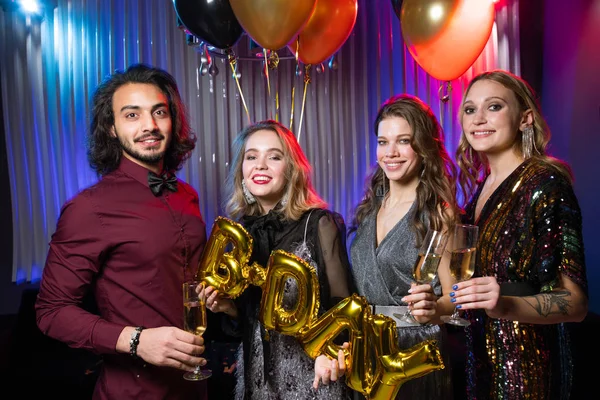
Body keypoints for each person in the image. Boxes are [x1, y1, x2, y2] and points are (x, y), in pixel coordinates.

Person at [35, 63, 209, 400]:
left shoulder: (187, 195)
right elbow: (51, 312)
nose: (150, 125)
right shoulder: (88, 208)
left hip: (194, 387)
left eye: (159, 112)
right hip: (133, 391)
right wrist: (137, 340)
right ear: (111, 128)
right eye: (132, 115)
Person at [450, 70, 588, 399]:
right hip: (480, 364)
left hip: (528, 372)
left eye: (494, 107)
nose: (478, 118)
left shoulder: (545, 183)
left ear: (525, 118)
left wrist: (507, 304)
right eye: (470, 110)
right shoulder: (476, 194)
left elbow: (576, 302)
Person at [314, 94, 458, 399]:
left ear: (423, 146)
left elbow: (458, 300)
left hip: (413, 350)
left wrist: (434, 308)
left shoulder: (437, 212)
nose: (390, 152)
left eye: (403, 141)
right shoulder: (369, 206)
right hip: (364, 345)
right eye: (383, 142)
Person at [199, 120, 355, 399]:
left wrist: (332, 353)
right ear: (242, 171)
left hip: (314, 381)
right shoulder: (239, 233)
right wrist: (227, 308)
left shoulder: (319, 224)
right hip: (257, 383)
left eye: (274, 156)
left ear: (292, 169)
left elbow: (342, 307)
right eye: (251, 157)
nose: (260, 165)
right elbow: (248, 324)